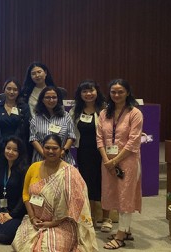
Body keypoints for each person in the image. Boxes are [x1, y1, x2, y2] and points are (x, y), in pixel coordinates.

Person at [12, 134, 98, 251]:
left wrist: (52, 223)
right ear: (42, 148)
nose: (50, 151)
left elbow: (76, 206)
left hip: (62, 224)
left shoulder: (70, 173)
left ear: (62, 149)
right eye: (47, 148)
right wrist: (32, 218)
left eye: (55, 148)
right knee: (22, 246)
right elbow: (25, 194)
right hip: (35, 221)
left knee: (47, 249)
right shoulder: (34, 167)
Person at [97, 79, 143, 250]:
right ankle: (126, 229)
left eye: (120, 92)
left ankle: (121, 236)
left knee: (126, 197)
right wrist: (106, 160)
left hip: (128, 161)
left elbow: (133, 142)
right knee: (114, 195)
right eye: (113, 92)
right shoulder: (104, 113)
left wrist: (114, 161)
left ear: (128, 93)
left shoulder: (135, 113)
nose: (116, 95)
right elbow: (99, 138)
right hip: (107, 161)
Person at [70, 80, 110, 232]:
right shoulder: (75, 111)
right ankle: (91, 217)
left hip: (103, 152)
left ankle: (106, 218)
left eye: (91, 90)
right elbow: (71, 131)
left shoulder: (105, 109)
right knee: (87, 184)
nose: (88, 94)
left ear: (97, 91)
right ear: (80, 94)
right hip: (84, 152)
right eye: (84, 91)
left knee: (104, 182)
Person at [0, 136, 28, 244]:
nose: (10, 152)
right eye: (8, 148)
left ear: (20, 153)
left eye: (15, 150)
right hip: (2, 210)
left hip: (17, 213)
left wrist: (12, 215)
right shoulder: (1, 166)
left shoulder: (24, 169)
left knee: (3, 236)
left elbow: (24, 195)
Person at [29, 86, 76, 164]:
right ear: (42, 100)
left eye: (54, 97)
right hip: (41, 159)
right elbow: (33, 138)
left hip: (62, 158)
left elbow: (71, 136)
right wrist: (44, 154)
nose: (51, 100)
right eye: (47, 97)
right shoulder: (36, 118)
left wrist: (63, 151)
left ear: (58, 99)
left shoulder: (66, 116)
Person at [0, 78, 31, 160]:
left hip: (19, 145)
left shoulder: (24, 107)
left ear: (19, 91)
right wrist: (2, 144)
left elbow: (23, 127)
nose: (11, 92)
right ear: (4, 90)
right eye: (9, 89)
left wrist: (13, 144)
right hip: (1, 145)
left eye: (15, 90)